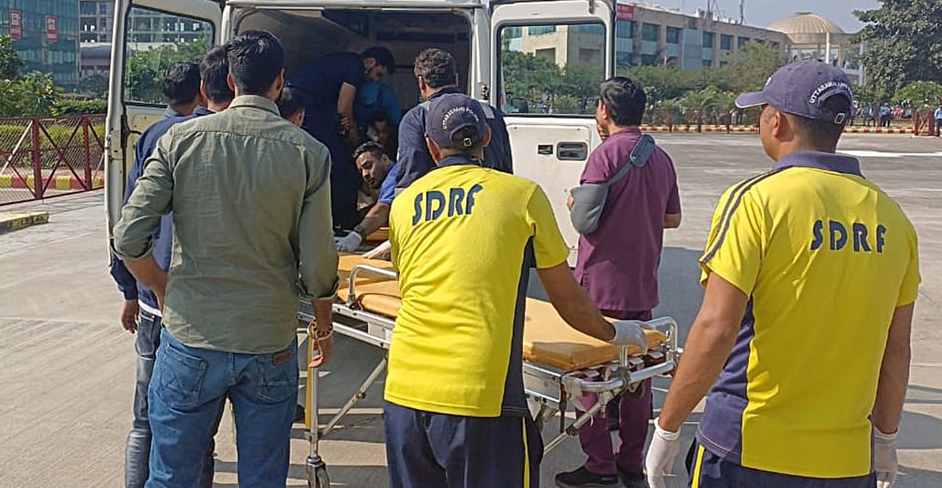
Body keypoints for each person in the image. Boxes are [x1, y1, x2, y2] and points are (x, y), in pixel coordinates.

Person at [645, 61, 920, 488]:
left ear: (777, 122)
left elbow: (717, 328)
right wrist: (885, 437)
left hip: (748, 450)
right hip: (846, 461)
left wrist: (667, 425)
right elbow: (896, 350)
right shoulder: (894, 220)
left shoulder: (757, 202)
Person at [383, 92, 650, 488]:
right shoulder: (520, 195)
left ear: (431, 147)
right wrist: (614, 334)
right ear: (487, 138)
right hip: (480, 394)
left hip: (403, 392)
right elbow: (567, 300)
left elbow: (410, 286)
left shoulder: (404, 206)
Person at [112, 31, 340, 488]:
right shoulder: (309, 153)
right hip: (268, 343)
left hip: (192, 334)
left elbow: (129, 234)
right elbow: (318, 261)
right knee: (262, 476)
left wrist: (159, 285)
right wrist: (323, 323)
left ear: (229, 82)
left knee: (172, 473)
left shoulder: (180, 141)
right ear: (280, 81)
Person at [557, 76, 681, 488]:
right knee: (636, 376)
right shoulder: (660, 159)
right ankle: (630, 461)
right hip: (641, 283)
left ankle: (599, 466)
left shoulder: (605, 155)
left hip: (599, 285)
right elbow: (672, 218)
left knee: (590, 376)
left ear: (605, 111)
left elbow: (583, 220)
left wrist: (576, 202)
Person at [110, 62, 216, 488]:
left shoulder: (151, 136)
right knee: (196, 422)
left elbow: (128, 220)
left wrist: (132, 288)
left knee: (144, 419)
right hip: (191, 306)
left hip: (154, 299)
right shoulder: (206, 135)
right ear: (203, 91)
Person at [287, 47, 396, 231]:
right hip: (305, 105)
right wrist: (354, 137)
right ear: (369, 62)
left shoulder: (343, 61)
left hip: (304, 104)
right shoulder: (354, 66)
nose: (374, 80)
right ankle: (339, 219)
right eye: (377, 74)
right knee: (336, 162)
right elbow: (344, 108)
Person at [395, 48, 513, 191]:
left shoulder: (415, 118)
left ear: (421, 82)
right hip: (491, 201)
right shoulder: (491, 114)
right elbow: (506, 171)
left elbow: (410, 178)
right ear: (456, 78)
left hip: (440, 207)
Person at [335, 141, 398, 253]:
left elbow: (383, 208)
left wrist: (356, 235)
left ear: (385, 160)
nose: (365, 174)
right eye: (361, 171)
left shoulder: (395, 176)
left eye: (368, 166)